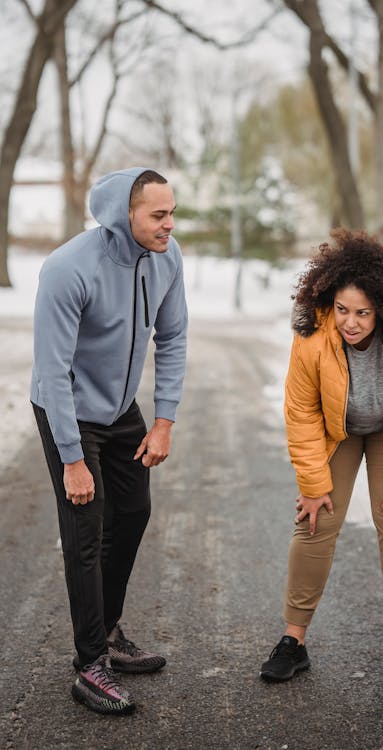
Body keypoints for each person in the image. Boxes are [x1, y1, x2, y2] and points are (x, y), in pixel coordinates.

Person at [260, 229, 383, 692]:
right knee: (315, 521)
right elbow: (301, 409)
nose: (350, 323)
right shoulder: (312, 330)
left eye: (363, 313)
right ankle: (293, 641)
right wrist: (313, 483)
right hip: (336, 430)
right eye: (343, 310)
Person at [31, 168, 188, 715]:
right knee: (86, 526)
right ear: (125, 214)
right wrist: (73, 459)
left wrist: (163, 419)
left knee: (135, 512)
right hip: (67, 408)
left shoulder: (167, 257)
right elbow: (51, 374)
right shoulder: (68, 268)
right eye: (159, 215)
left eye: (172, 212)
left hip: (121, 409)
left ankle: (110, 631)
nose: (170, 224)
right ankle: (89, 664)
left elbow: (171, 336)